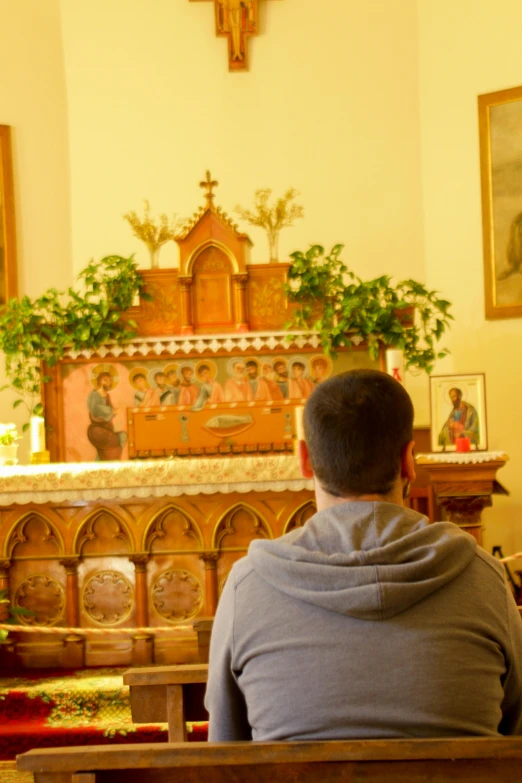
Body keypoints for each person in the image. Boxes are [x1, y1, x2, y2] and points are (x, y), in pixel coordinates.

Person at [206, 369, 522, 741]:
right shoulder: (482, 578)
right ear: (409, 461)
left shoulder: (248, 588)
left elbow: (226, 750)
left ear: (305, 460)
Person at [87, 371, 127, 460]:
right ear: (99, 381)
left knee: (122, 436)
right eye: (105, 380)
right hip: (97, 429)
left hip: (106, 428)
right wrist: (111, 411)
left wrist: (114, 411)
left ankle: (99, 467)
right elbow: (96, 409)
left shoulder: (107, 395)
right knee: (114, 444)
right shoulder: (94, 395)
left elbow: (110, 414)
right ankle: (113, 463)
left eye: (110, 380)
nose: (108, 382)